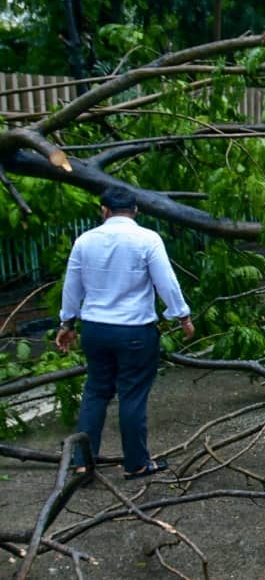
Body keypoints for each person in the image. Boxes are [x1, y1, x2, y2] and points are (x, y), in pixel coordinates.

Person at [56, 186, 194, 480]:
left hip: (95, 329)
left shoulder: (84, 241)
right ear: (136, 211)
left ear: (103, 210)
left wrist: (67, 324)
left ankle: (82, 463)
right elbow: (166, 282)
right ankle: (137, 463)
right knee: (131, 395)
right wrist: (181, 315)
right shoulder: (147, 239)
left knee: (95, 392)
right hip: (134, 330)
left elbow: (72, 287)